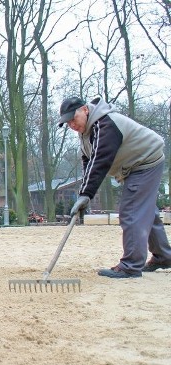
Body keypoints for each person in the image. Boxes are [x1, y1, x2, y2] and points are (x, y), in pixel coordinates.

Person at [59, 96, 171, 278]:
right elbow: (88, 161)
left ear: (85, 110)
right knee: (146, 210)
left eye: (74, 118)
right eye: (68, 122)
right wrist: (84, 196)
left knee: (132, 211)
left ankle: (130, 265)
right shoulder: (86, 132)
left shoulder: (105, 125)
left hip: (145, 161)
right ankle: (164, 256)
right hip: (136, 165)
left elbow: (100, 162)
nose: (72, 124)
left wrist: (87, 193)